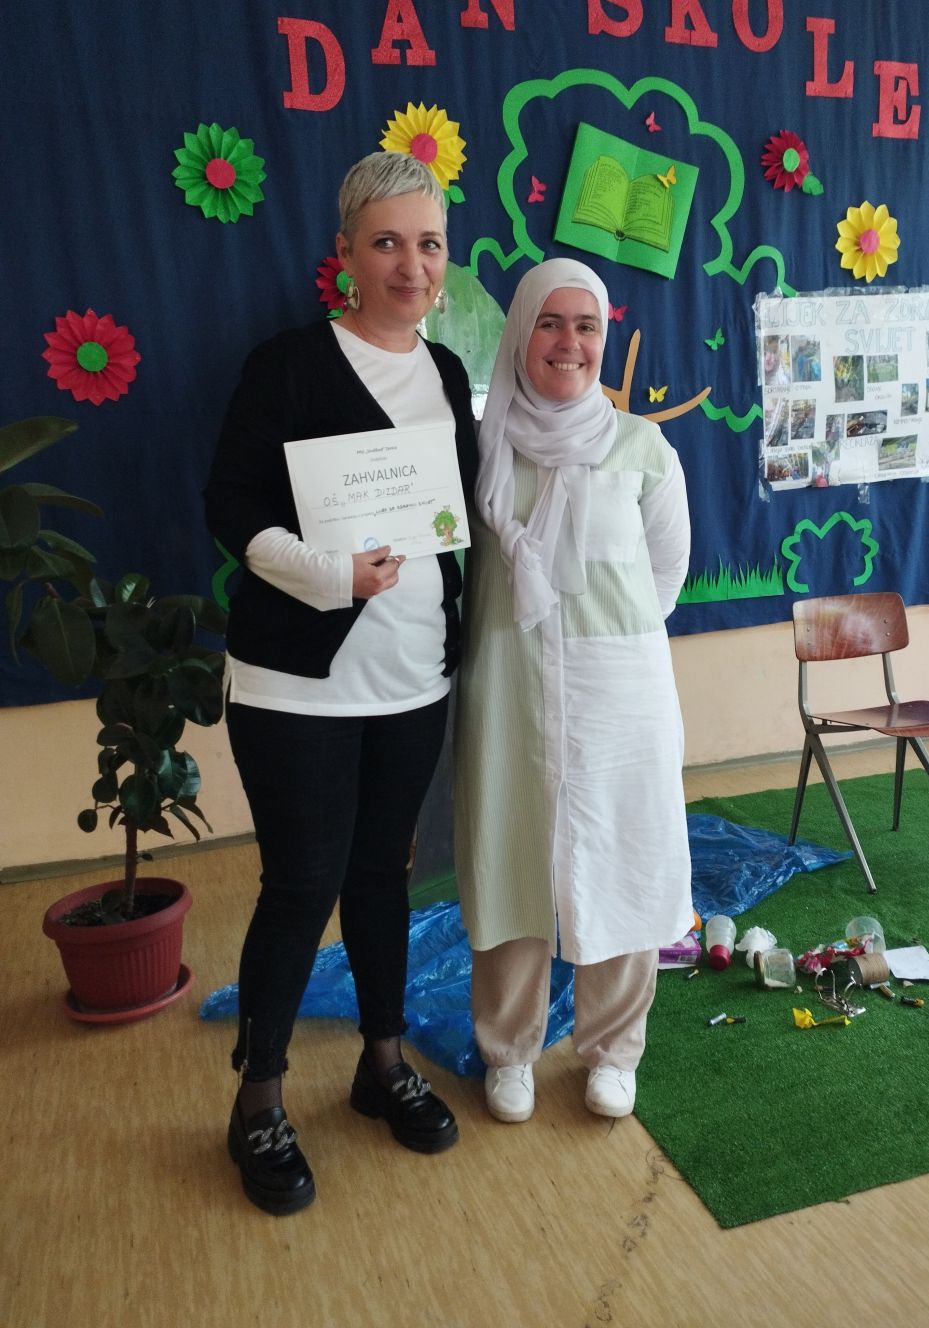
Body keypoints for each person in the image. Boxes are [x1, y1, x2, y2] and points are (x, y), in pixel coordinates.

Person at [204, 151, 477, 1215]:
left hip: (411, 679)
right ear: (346, 255)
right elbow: (229, 505)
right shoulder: (285, 365)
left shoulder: (446, 374)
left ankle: (382, 1060)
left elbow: (456, 519)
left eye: (428, 243)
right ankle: (259, 1100)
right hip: (297, 685)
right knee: (300, 882)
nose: (411, 265)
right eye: (387, 243)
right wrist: (329, 575)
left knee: (381, 876)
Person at [454, 259, 693, 1124]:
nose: (569, 343)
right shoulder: (482, 448)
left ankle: (613, 1050)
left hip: (619, 693)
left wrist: (603, 638)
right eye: (550, 324)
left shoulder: (642, 448)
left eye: (586, 326)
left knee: (623, 857)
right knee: (509, 856)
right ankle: (510, 1051)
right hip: (508, 686)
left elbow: (666, 574)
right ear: (521, 334)